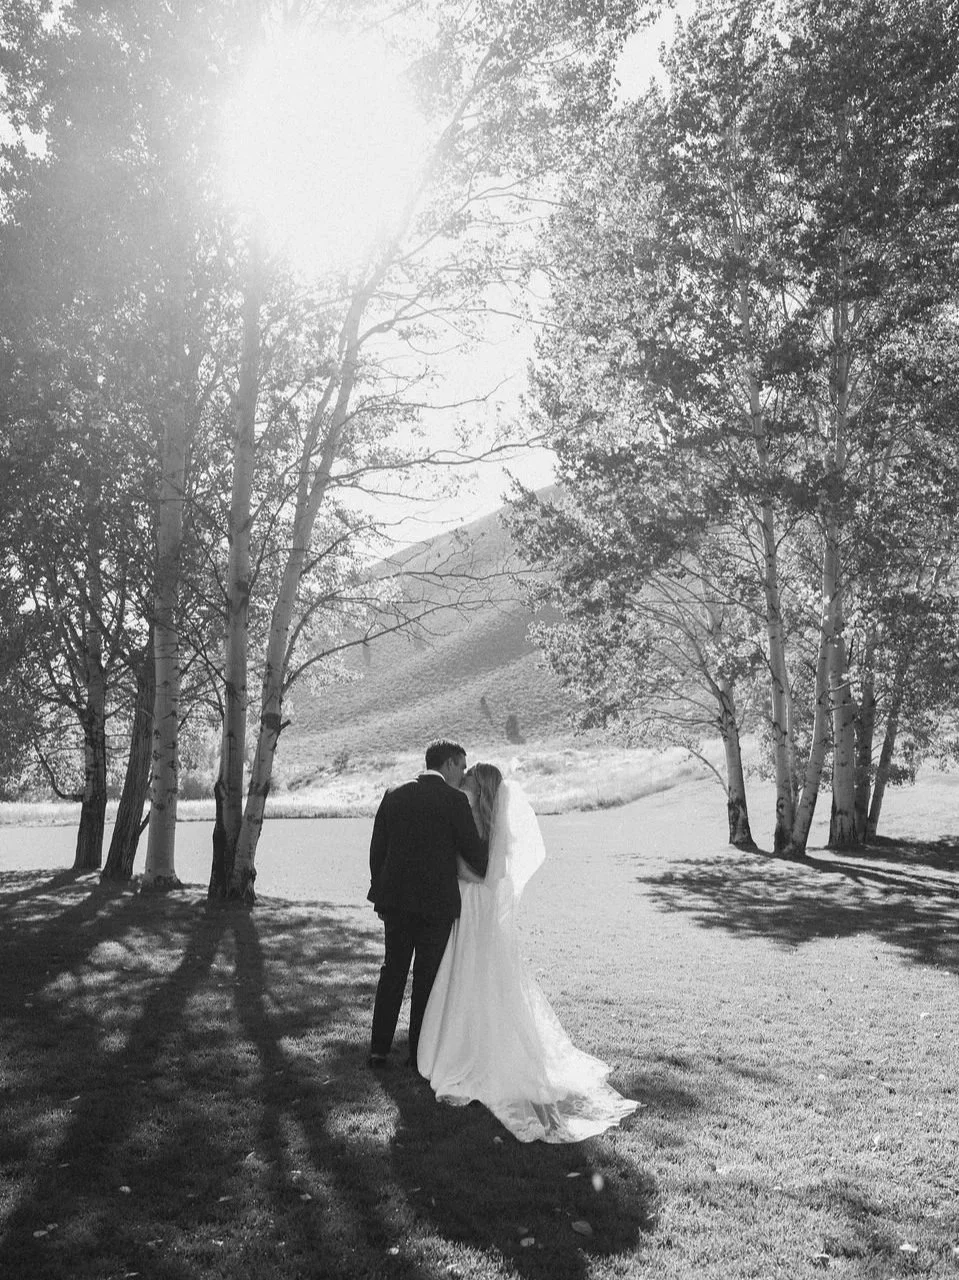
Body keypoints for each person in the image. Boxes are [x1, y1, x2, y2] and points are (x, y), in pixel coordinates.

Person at [417, 762, 639, 1143]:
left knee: (477, 972)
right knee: (467, 973)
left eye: (469, 778)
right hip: (472, 907)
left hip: (476, 905)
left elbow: (489, 876)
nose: (463, 781)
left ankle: (473, 1050)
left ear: (480, 786)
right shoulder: (474, 817)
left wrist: (455, 869)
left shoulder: (488, 823)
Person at [367, 738, 489, 1071]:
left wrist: (381, 893)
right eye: (462, 766)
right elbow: (475, 855)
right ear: (448, 764)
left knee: (392, 972)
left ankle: (378, 1050)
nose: (463, 773)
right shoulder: (454, 801)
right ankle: (417, 1054)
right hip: (436, 905)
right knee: (426, 979)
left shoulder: (394, 794)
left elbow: (378, 850)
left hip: (396, 902)